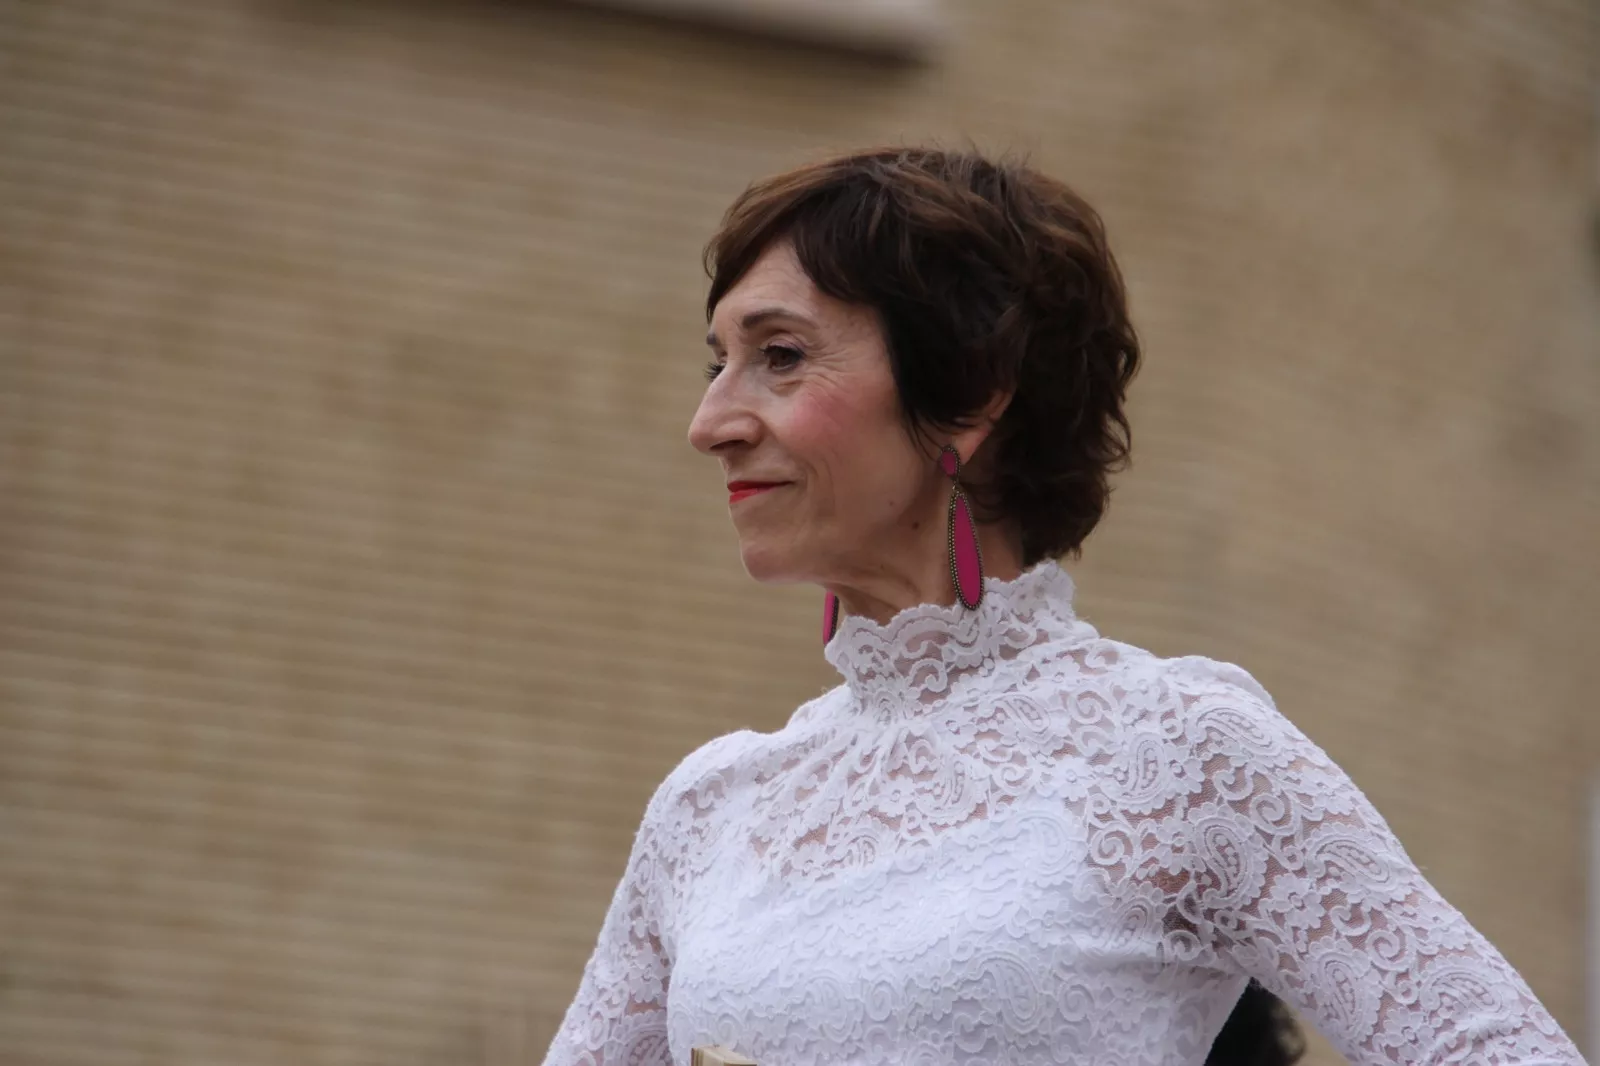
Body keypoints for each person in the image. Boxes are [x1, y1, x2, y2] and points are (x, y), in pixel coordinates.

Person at [541, 148, 1581, 1065]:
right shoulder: (707, 808)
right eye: (714, 362)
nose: (710, 420)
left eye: (778, 355)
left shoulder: (1185, 751)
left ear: (972, 387)